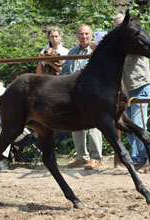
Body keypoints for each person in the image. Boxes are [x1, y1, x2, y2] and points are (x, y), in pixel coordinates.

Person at [60, 24, 102, 170]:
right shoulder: (72, 51)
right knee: (76, 123)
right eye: (81, 34)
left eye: (86, 34)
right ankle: (81, 157)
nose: (84, 37)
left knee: (93, 125)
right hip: (74, 92)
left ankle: (95, 157)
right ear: (77, 36)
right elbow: (64, 70)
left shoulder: (97, 50)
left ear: (91, 35)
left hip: (92, 93)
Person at [114, 13, 150, 164]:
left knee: (138, 122)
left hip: (139, 83)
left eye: (122, 25)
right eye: (117, 26)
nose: (120, 29)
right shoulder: (119, 41)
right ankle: (137, 157)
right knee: (126, 124)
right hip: (124, 87)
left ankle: (144, 157)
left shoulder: (136, 38)